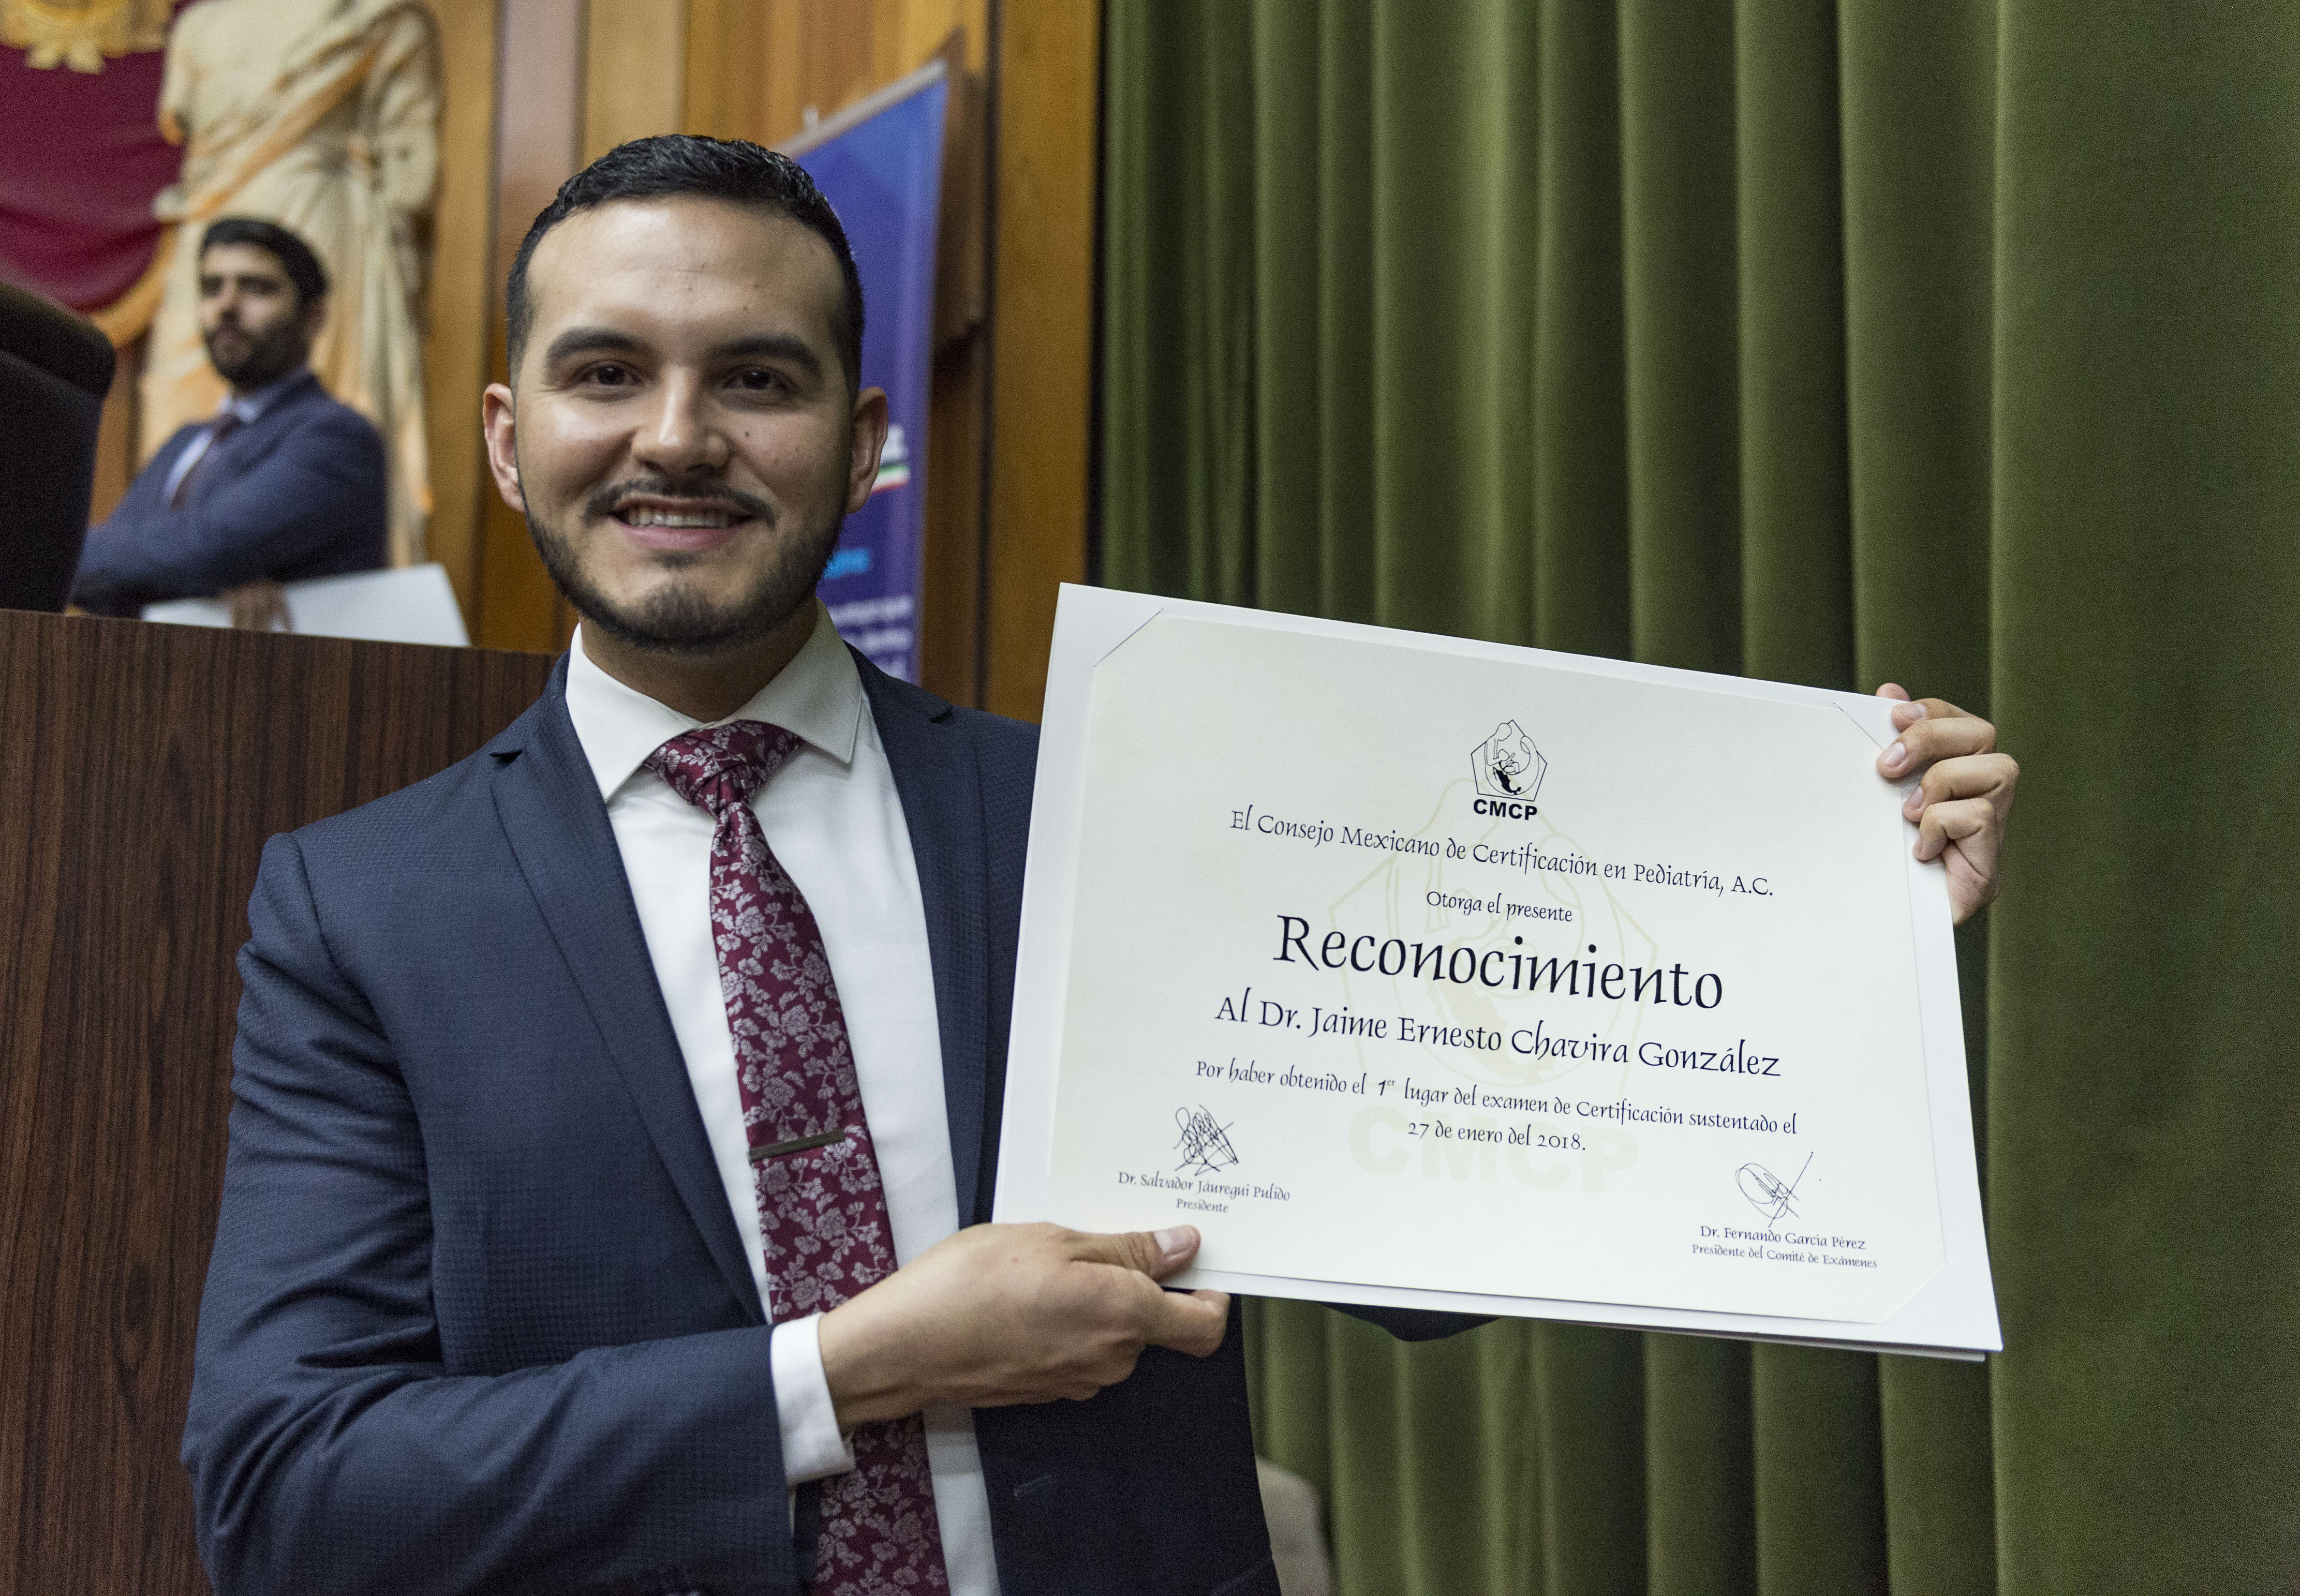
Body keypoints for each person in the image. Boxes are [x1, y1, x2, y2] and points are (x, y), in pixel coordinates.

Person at [181, 138, 2021, 1594]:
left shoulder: (1121, 814)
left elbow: (1447, 1245)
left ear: (867, 443)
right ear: (511, 443)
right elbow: (290, 1495)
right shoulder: (363, 912)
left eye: (758, 375)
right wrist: (851, 1369)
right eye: (607, 373)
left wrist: (1831, 927)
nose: (679, 435)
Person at [138, 0, 440, 568]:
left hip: (323, 223)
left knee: (319, 403)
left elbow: (414, 168)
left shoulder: (379, 19)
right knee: (183, 404)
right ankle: (183, 571)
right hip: (211, 228)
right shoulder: (200, 26)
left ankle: (289, 562)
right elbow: (189, 144)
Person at [75, 218, 386, 622]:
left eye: (256, 287)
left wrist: (61, 555)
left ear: (314, 318)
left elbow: (206, 547)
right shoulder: (184, 442)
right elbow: (102, 579)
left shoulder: (337, 436)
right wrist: (213, 577)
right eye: (211, 288)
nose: (226, 306)